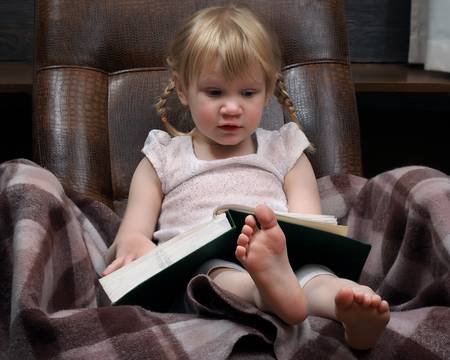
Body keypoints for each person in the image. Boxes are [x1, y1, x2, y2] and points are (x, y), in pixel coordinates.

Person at [102, 5, 390, 350]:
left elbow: (311, 228)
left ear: (268, 91)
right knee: (216, 272)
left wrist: (283, 249)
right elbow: (132, 231)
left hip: (280, 257)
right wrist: (135, 242)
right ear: (181, 89)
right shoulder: (163, 157)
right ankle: (266, 292)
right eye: (215, 92)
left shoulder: (285, 150)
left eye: (247, 93)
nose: (232, 108)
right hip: (204, 269)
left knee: (317, 275)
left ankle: (354, 308)